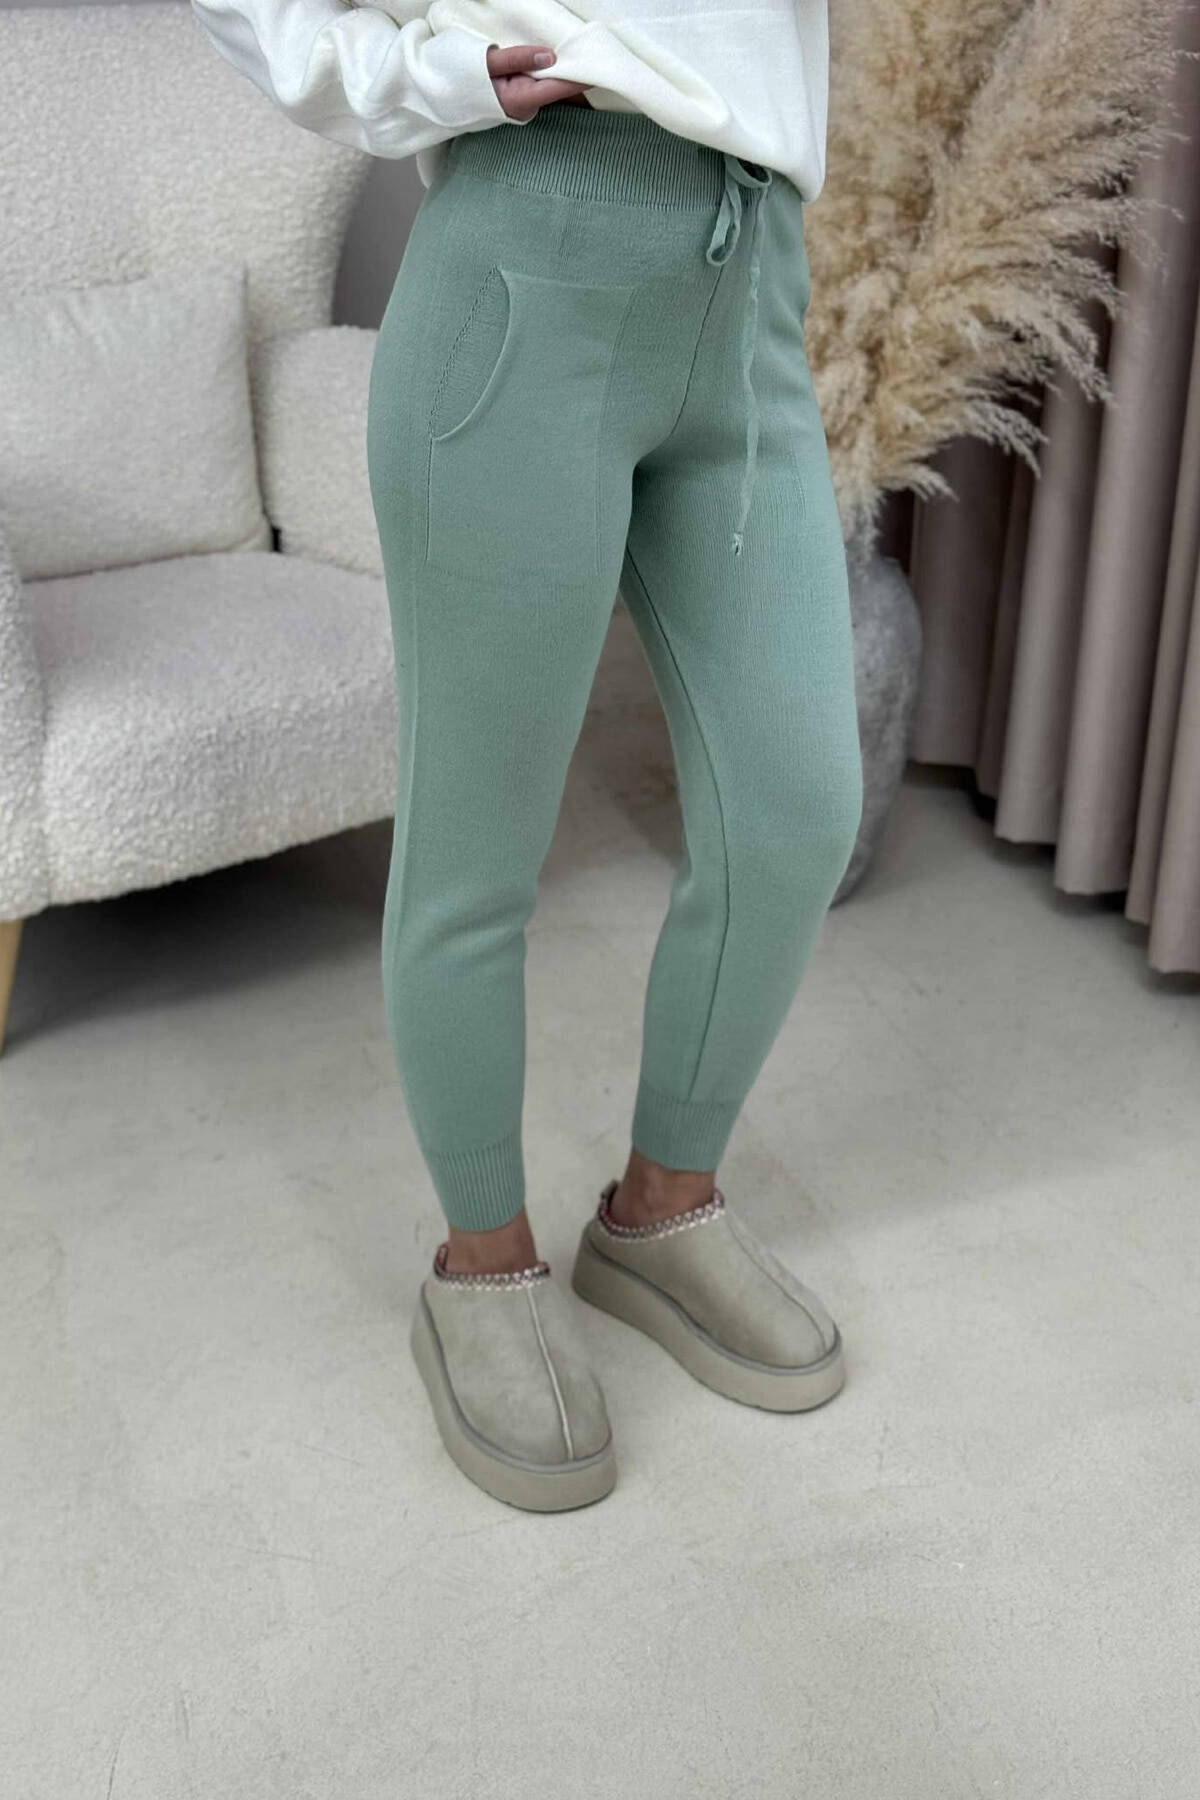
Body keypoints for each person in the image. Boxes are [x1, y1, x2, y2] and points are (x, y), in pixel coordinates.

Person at [190, 0, 864, 1512]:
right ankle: (481, 1264)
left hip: (749, 273)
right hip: (528, 259)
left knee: (796, 807)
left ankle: (662, 1209)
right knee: (478, 848)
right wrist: (418, 76)